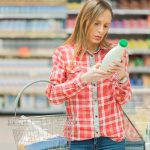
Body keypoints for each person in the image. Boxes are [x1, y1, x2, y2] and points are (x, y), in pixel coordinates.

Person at [46, 0, 132, 149]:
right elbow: (53, 96)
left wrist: (123, 76)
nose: (101, 31)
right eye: (96, 23)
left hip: (112, 138)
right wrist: (83, 79)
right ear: (84, 21)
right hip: (79, 139)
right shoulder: (64, 53)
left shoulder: (116, 53)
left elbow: (123, 99)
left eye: (106, 26)